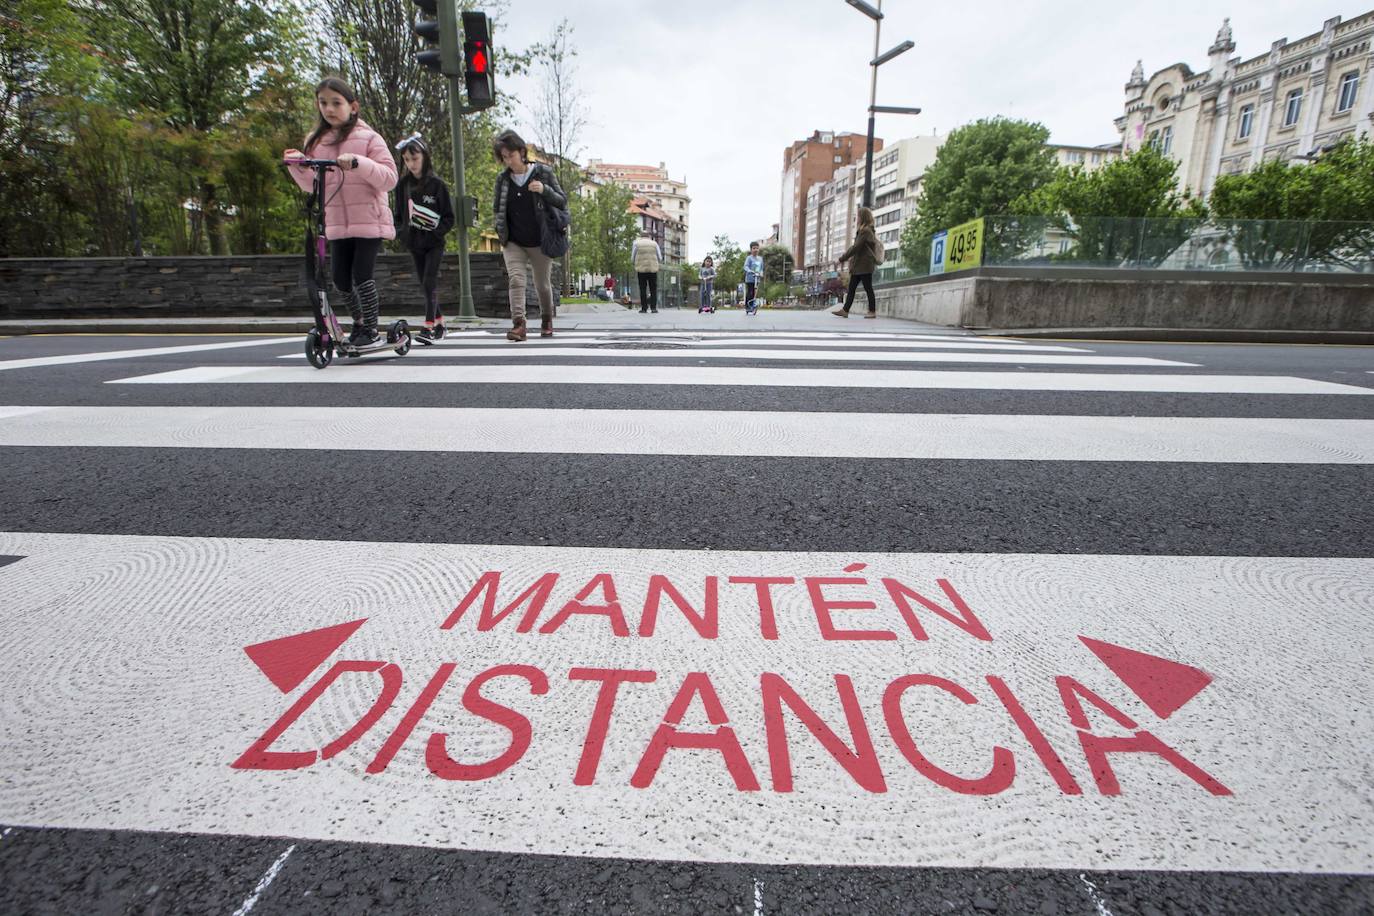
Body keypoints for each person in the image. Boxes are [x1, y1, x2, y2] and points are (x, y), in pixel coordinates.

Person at [284, 76, 398, 346]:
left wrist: (359, 163)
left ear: (353, 106)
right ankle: (359, 324)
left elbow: (389, 178)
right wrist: (297, 167)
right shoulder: (316, 142)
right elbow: (313, 186)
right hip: (335, 222)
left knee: (362, 275)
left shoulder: (370, 138)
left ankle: (370, 328)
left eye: (336, 103)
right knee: (340, 280)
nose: (329, 109)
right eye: (323, 103)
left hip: (369, 221)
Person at [491, 130, 567, 341]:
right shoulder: (503, 180)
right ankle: (519, 324)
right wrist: (500, 230)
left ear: (522, 152)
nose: (508, 161)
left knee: (542, 284)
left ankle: (546, 319)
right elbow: (497, 208)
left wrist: (544, 190)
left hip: (540, 239)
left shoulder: (543, 173)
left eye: (511, 155)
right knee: (516, 279)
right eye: (504, 157)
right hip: (513, 240)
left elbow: (562, 200)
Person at [392, 133, 454, 341]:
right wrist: (403, 234)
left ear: (424, 157)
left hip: (434, 243)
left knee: (429, 281)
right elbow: (398, 215)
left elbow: (448, 217)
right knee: (425, 283)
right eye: (407, 160)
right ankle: (440, 324)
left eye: (415, 158)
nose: (411, 163)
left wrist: (436, 232)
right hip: (414, 243)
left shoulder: (437, 185)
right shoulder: (402, 186)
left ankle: (428, 327)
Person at [832, 207, 879, 319]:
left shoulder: (865, 231)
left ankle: (872, 311)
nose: (856, 218)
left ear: (862, 217)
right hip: (859, 266)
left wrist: (841, 259)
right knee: (852, 288)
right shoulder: (865, 230)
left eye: (858, 216)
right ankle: (845, 310)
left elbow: (855, 247)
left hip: (864, 266)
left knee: (868, 288)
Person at [631, 233, 662, 313]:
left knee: (642, 289)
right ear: (649, 236)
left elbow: (633, 256)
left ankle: (644, 308)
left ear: (641, 236)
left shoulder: (636, 244)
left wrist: (634, 263)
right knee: (653, 289)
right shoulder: (654, 244)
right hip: (652, 269)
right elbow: (660, 257)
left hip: (641, 269)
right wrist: (656, 262)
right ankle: (653, 308)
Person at [743, 242, 764, 315]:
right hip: (750, 279)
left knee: (755, 293)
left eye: (757, 248)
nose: (755, 250)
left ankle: (753, 305)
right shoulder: (749, 258)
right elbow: (745, 266)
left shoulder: (760, 259)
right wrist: (750, 271)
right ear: (751, 249)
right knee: (750, 292)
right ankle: (748, 306)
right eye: (754, 248)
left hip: (757, 279)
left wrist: (761, 273)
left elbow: (761, 268)